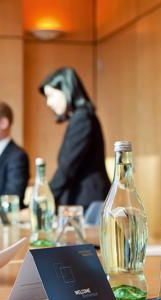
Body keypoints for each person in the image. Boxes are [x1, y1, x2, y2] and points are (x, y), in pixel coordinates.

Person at [39, 67, 111, 210]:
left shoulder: (82, 118)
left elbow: (67, 167)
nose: (48, 102)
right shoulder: (80, 117)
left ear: (66, 89)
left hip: (88, 201)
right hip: (85, 200)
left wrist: (44, 200)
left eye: (51, 95)